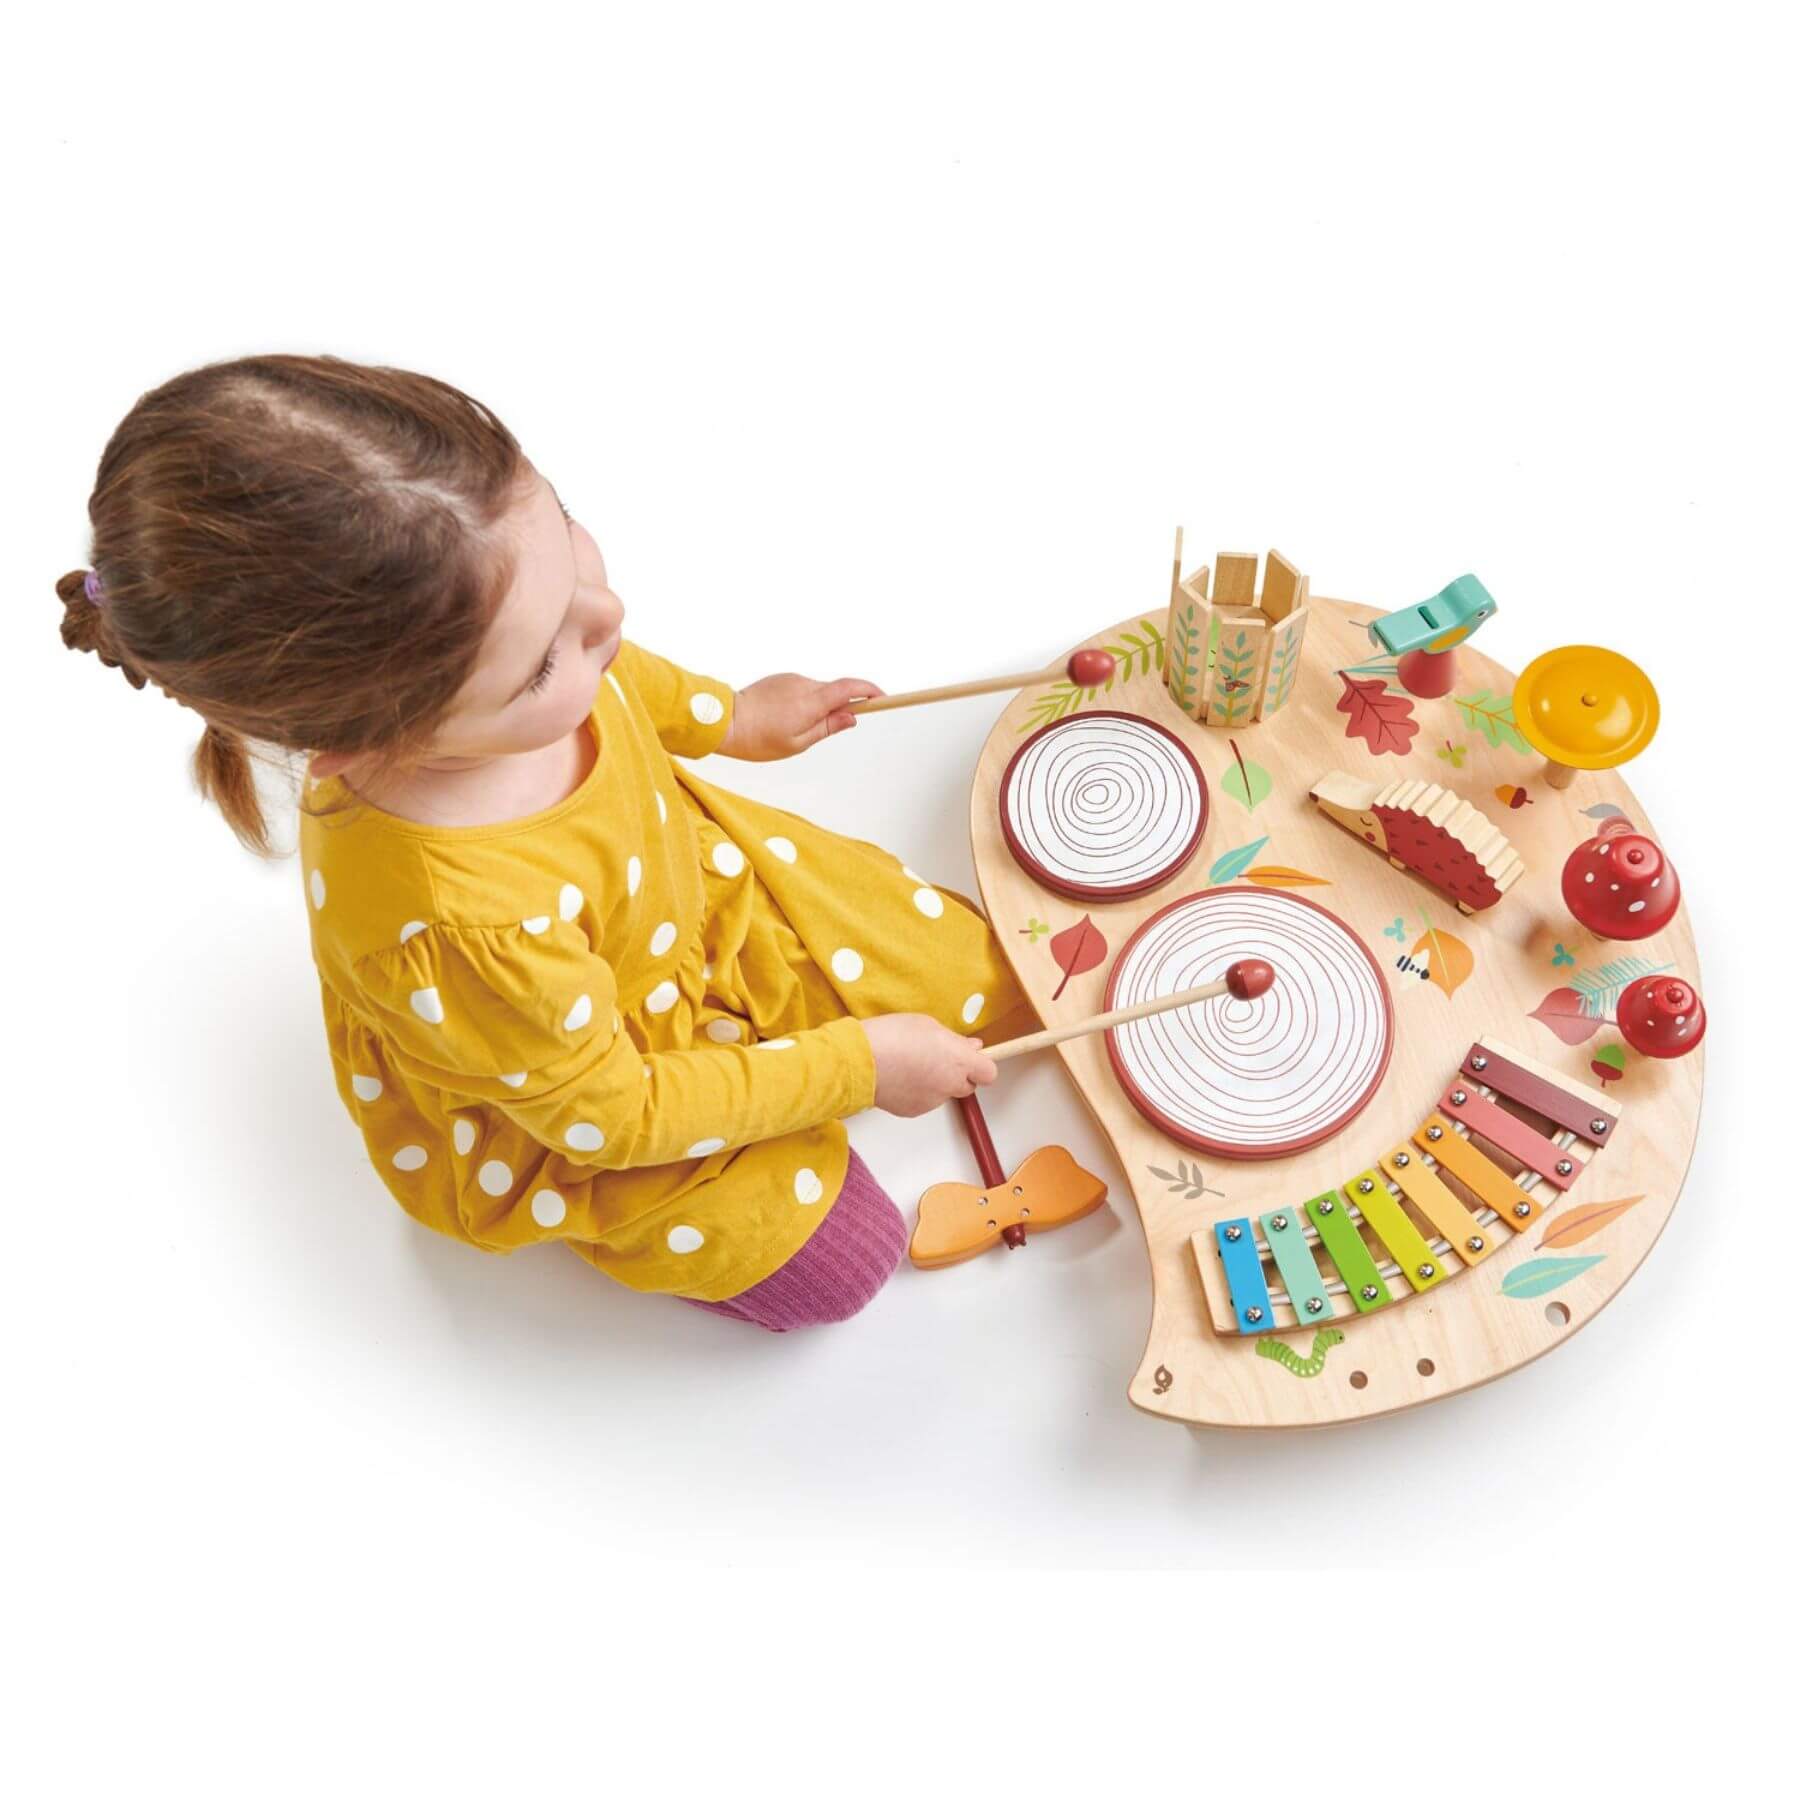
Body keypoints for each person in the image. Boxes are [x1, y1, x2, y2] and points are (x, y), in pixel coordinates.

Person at [58, 355, 1037, 1330]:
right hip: (583, 1096)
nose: (607, 619)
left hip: (697, 905)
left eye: (567, 542)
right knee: (844, 1266)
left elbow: (614, 676)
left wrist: (730, 717)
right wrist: (855, 1067)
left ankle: (782, 1054)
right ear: (378, 739)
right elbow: (611, 1116)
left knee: (997, 983)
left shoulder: (518, 647)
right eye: (540, 661)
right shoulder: (451, 922)